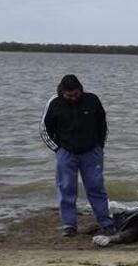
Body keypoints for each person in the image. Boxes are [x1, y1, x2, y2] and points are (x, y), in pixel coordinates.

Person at [40, 74, 115, 237]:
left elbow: (103, 124)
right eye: (69, 95)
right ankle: (69, 225)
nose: (73, 98)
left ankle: (105, 222)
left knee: (96, 187)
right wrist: (58, 149)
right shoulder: (54, 103)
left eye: (76, 94)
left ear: (80, 90)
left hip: (91, 152)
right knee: (66, 187)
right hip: (65, 152)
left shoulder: (92, 100)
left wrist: (99, 147)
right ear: (62, 92)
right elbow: (45, 129)